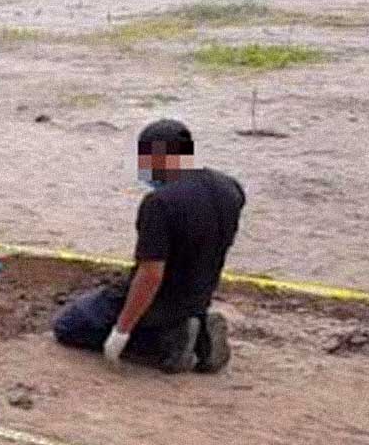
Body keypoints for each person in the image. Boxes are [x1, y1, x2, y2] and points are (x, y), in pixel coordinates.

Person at [52, 119, 241, 373]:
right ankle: (198, 333)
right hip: (198, 297)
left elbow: (150, 275)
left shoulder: (159, 203)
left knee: (69, 324)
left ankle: (165, 343)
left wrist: (122, 331)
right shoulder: (230, 188)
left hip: (158, 302)